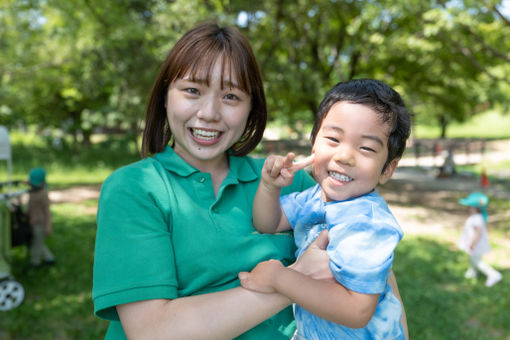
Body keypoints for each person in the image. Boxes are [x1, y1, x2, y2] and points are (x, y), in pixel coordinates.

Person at [92, 23, 406, 339]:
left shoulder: (290, 182)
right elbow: (152, 332)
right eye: (192, 90)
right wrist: (297, 277)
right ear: (164, 96)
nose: (210, 113)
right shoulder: (136, 188)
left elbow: (380, 281)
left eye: (231, 96)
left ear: (251, 108)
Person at [239, 79, 411, 339]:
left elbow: (357, 311)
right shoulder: (313, 198)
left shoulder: (368, 223)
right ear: (313, 145)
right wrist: (269, 187)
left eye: (365, 148)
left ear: (387, 168)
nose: (344, 156)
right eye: (333, 139)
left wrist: (279, 279)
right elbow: (268, 223)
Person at [457, 192, 502, 287]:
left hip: (476, 244)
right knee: (473, 259)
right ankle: (472, 273)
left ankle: (493, 275)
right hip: (474, 243)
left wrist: (472, 244)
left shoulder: (477, 219)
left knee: (477, 262)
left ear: (475, 208)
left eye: (470, 206)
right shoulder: (475, 217)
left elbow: (477, 233)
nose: (468, 208)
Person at [26, 167, 56, 267]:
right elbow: (30, 205)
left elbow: (47, 212)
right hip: (32, 222)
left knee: (37, 245)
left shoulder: (43, 194)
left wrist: (48, 226)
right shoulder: (32, 191)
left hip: (40, 223)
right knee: (37, 242)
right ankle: (49, 258)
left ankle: (35, 262)